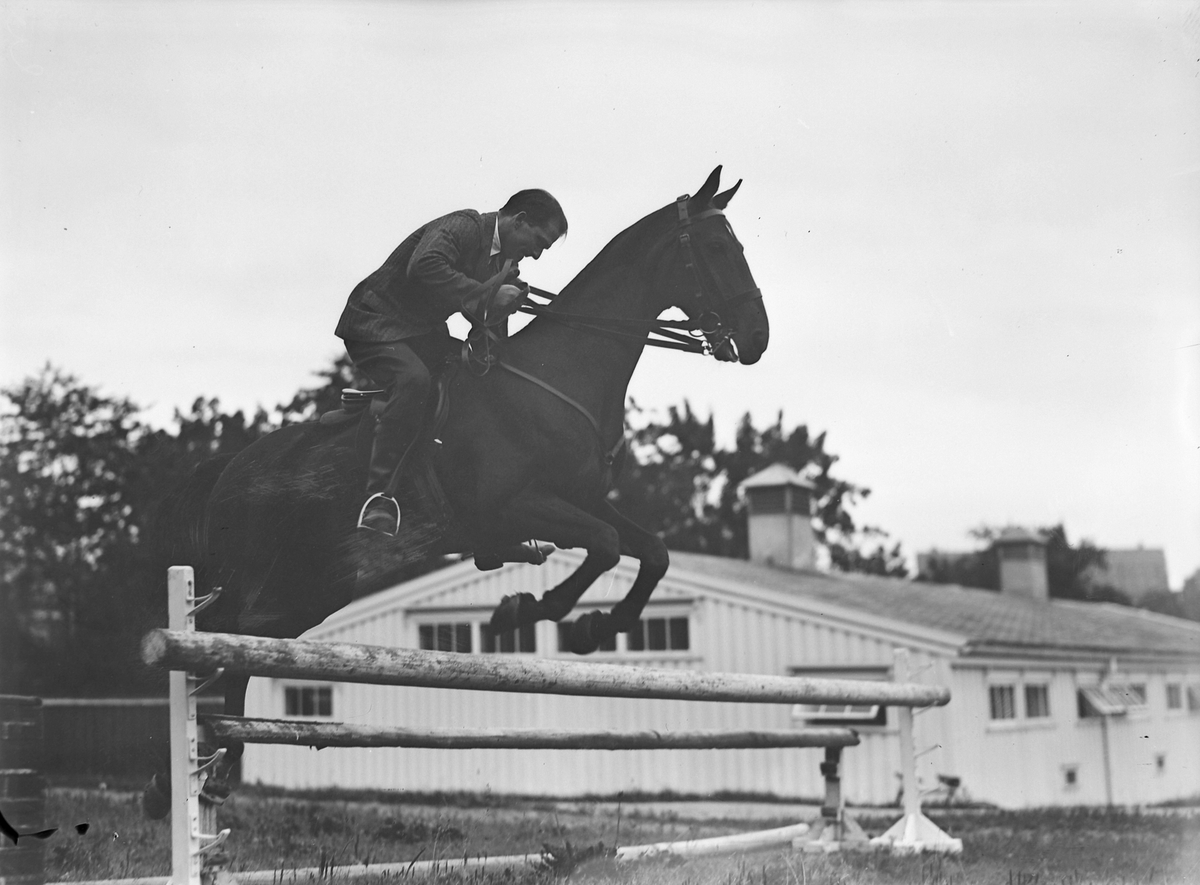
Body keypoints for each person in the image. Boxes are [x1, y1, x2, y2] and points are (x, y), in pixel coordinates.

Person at [335, 189, 568, 535]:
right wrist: (490, 292)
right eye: (538, 242)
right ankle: (379, 499)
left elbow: (484, 321)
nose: (536, 254)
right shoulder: (465, 226)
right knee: (414, 381)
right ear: (519, 221)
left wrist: (496, 326)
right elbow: (424, 266)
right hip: (376, 321)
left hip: (417, 330)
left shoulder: (503, 262)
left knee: (474, 381)